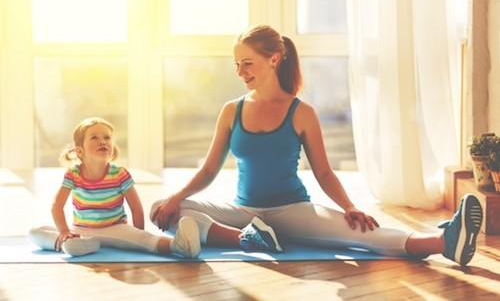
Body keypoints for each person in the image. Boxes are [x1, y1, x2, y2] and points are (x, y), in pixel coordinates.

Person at [150, 24, 484, 266]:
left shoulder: (301, 113)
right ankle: (249, 239)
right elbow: (210, 169)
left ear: (275, 59)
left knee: (359, 234)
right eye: (236, 63)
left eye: (247, 63)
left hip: (293, 210)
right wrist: (176, 197)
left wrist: (349, 206)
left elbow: (323, 172)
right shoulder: (231, 110)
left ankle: (444, 242)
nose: (240, 71)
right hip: (245, 214)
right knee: (167, 210)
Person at [29, 117, 200, 258]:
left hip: (116, 228)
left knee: (143, 238)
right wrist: (65, 231)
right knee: (35, 232)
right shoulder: (72, 174)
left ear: (112, 148)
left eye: (107, 138)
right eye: (94, 137)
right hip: (82, 229)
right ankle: (76, 244)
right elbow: (56, 206)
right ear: (80, 151)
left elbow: (136, 208)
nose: (102, 141)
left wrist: (138, 235)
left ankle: (180, 246)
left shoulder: (119, 174)